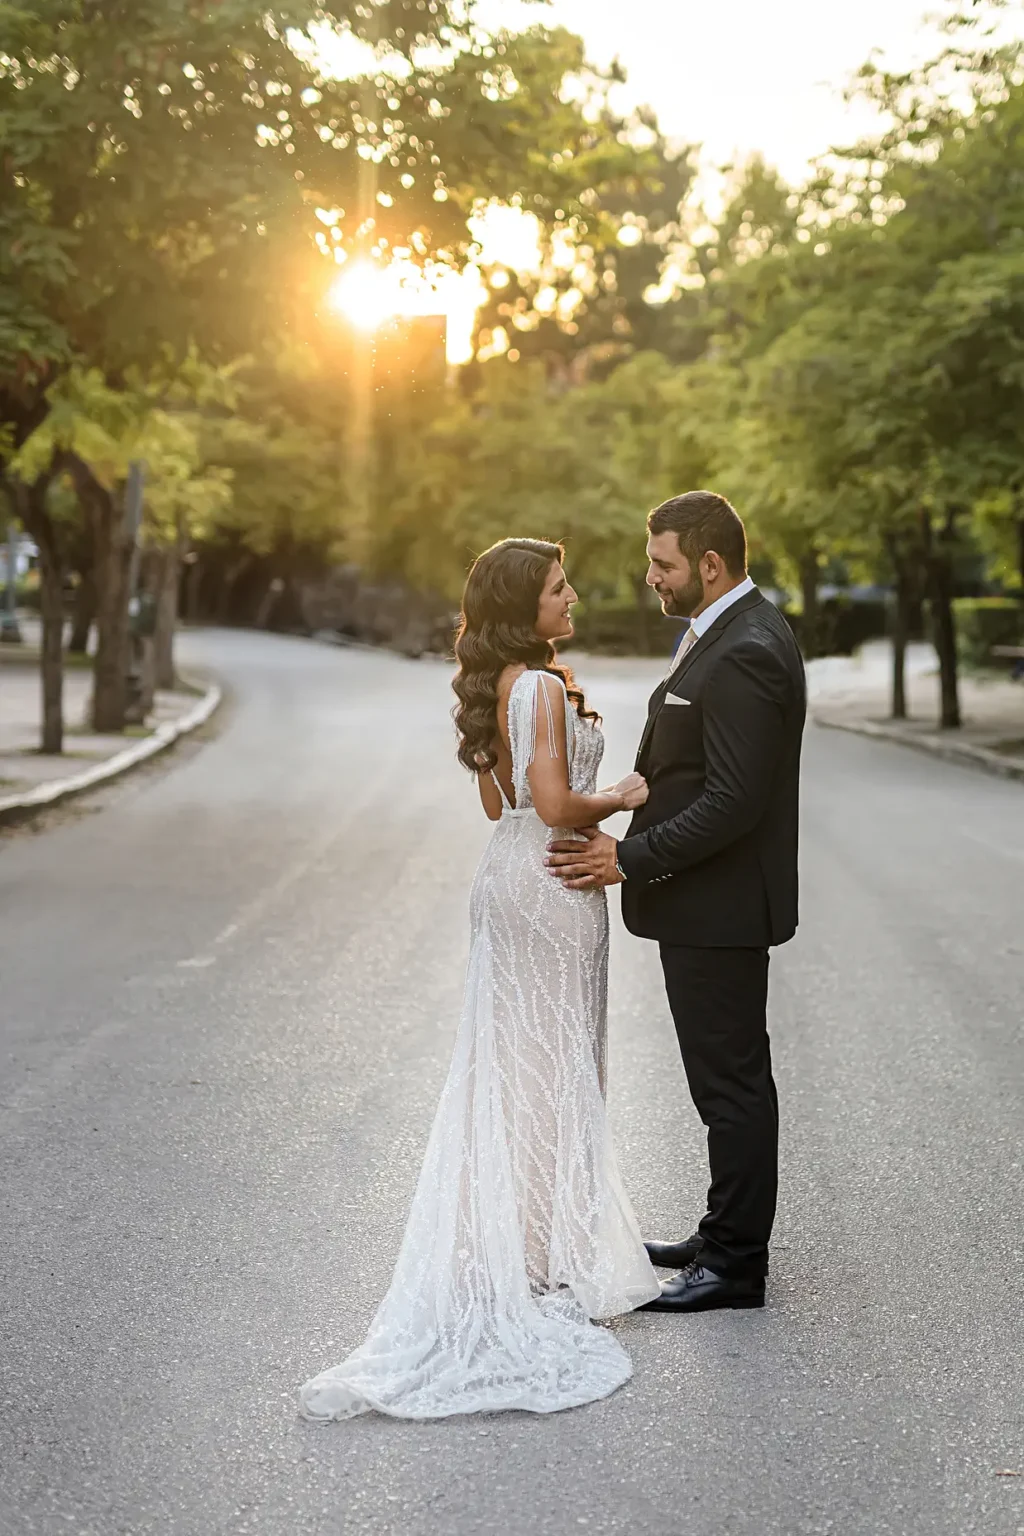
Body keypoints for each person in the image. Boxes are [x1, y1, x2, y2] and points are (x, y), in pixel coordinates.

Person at [299, 538, 659, 1422]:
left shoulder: (499, 685)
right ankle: (539, 1259)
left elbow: (497, 804)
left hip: (507, 878)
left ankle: (532, 1250)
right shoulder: (537, 687)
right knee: (554, 1068)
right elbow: (549, 804)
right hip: (554, 880)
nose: (571, 596)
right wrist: (620, 797)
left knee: (521, 1071)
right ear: (519, 604)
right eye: (556, 587)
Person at [546, 491, 806, 1313]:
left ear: (710, 565)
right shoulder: (725, 634)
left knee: (731, 1085)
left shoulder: (750, 648)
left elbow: (733, 801)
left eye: (662, 564)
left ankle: (735, 1265)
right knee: (720, 1081)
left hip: (721, 904)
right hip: (705, 902)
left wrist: (630, 858)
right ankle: (722, 1231)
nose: (648, 576)